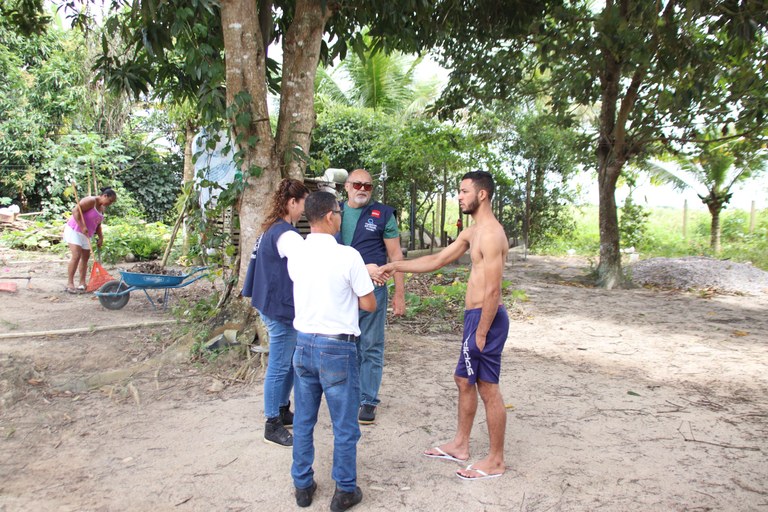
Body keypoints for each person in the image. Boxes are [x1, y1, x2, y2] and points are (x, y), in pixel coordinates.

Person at [381, 171, 510, 481]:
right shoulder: (472, 233)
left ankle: (495, 460)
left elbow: (493, 290)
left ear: (482, 195)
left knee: (487, 388)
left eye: (464, 191)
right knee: (463, 380)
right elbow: (437, 260)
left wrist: (480, 333)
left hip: (487, 320)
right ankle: (460, 445)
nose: (460, 196)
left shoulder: (492, 234)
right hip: (475, 319)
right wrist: (395, 265)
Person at [286, 191, 376, 511]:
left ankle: (302, 485)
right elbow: (368, 302)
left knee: (304, 421)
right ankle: (345, 490)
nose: (340, 216)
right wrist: (363, 280)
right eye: (338, 211)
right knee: (345, 425)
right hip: (337, 348)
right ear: (329, 216)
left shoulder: (297, 255)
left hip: (304, 343)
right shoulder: (348, 256)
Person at [242, 178, 309, 448]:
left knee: (289, 360)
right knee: (280, 365)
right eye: (303, 204)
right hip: (279, 308)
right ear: (292, 202)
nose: (304, 210)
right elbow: (308, 266)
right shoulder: (287, 235)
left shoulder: (271, 229)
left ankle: (282, 408)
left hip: (268, 302)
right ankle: (272, 422)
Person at [338, 168, 405, 425]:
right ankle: (349, 393)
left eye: (367, 186)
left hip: (372, 288)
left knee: (371, 345)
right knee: (345, 344)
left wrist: (400, 294)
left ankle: (368, 399)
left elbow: (396, 256)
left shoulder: (383, 214)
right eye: (357, 184)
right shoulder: (333, 213)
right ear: (346, 187)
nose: (362, 189)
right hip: (340, 290)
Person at [63, 187, 117, 294]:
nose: (109, 204)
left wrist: (101, 237)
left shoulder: (102, 208)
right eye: (110, 201)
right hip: (75, 230)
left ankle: (82, 283)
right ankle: (70, 283)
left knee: (85, 258)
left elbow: (98, 225)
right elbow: (75, 211)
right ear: (104, 196)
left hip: (87, 234)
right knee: (76, 255)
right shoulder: (90, 201)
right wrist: (82, 226)